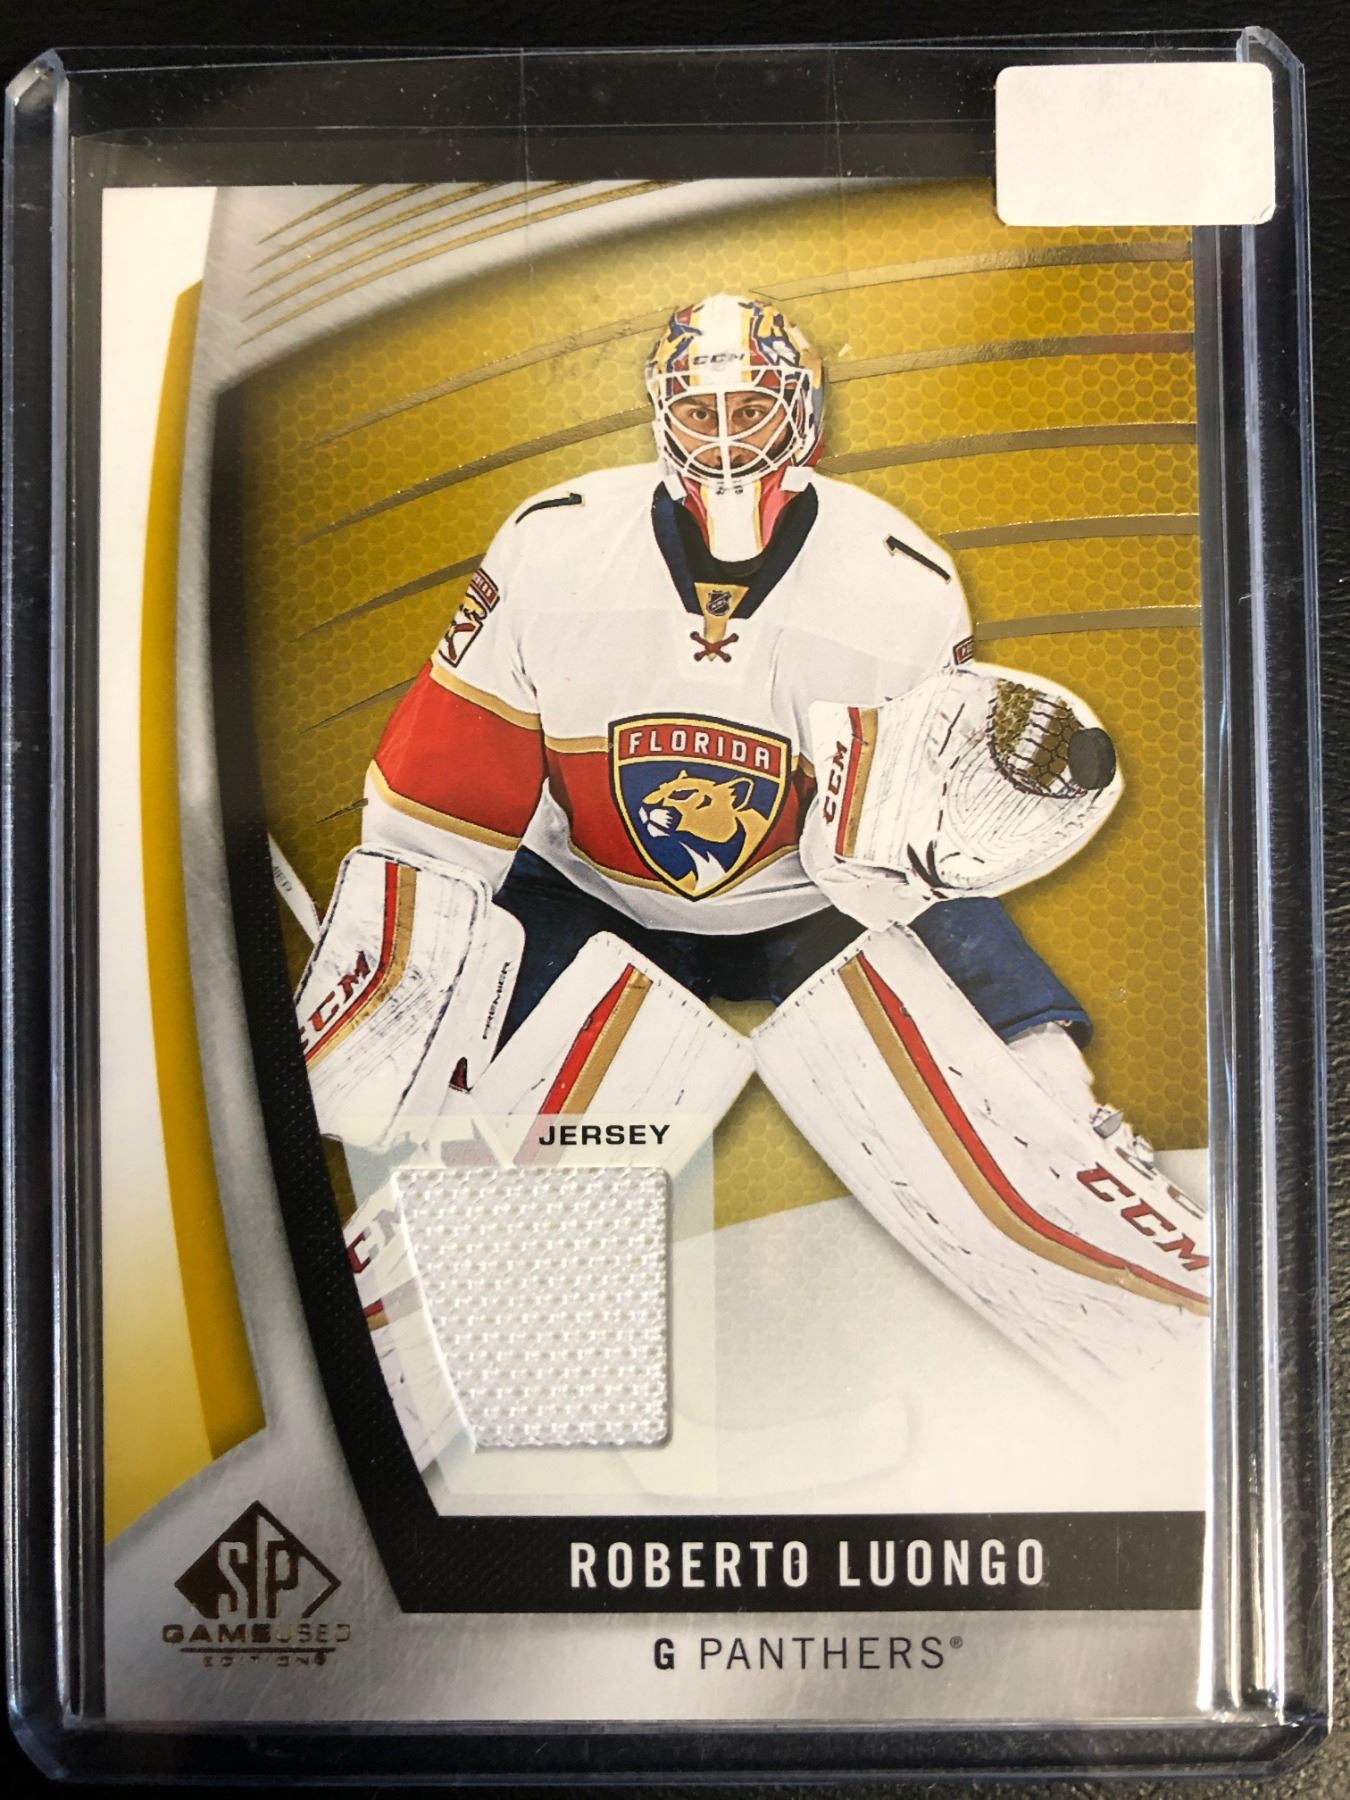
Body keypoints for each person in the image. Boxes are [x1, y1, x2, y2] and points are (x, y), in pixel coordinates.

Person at [363, 291, 1093, 1093]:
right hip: (592, 889)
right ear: (661, 415)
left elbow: (886, 850)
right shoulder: (553, 544)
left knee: (978, 989)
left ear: (802, 412)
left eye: (750, 410)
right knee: (461, 1084)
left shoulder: (905, 582)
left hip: (809, 905)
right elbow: (447, 789)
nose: (723, 440)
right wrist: (405, 957)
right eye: (698, 412)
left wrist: (936, 849)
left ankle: (1058, 1100)